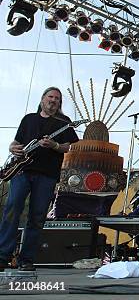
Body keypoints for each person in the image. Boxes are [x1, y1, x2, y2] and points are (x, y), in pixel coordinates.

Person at [0, 87, 79, 271]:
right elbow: (15, 142)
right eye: (50, 97)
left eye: (57, 99)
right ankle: (3, 255)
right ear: (43, 99)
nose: (53, 100)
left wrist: (54, 144)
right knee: (12, 210)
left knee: (37, 217)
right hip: (22, 171)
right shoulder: (29, 119)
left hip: (47, 174)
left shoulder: (64, 123)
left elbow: (68, 147)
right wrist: (13, 148)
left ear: (60, 104)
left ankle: (26, 259)